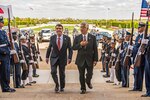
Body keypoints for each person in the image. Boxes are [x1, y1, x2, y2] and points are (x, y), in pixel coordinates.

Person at [46, 24, 73, 93]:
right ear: (55, 29)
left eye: (60, 28)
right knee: (53, 72)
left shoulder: (67, 38)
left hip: (62, 58)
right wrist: (47, 57)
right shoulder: (52, 38)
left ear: (62, 30)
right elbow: (49, 48)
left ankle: (62, 87)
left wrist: (69, 57)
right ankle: (57, 84)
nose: (58, 29)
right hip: (53, 58)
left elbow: (70, 49)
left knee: (62, 74)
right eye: (57, 28)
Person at [73, 22, 98, 94]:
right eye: (81, 27)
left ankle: (88, 81)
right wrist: (80, 44)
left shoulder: (92, 37)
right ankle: (83, 88)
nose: (81, 29)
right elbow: (74, 47)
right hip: (80, 60)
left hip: (90, 59)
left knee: (90, 74)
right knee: (81, 75)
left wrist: (95, 59)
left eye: (83, 28)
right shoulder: (77, 37)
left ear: (87, 29)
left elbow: (95, 49)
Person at [0, 16, 16, 92]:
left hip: (7, 53)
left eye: (2, 21)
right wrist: (2, 51)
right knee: (3, 72)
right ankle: (5, 87)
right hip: (2, 54)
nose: (2, 22)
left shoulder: (3, 32)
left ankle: (7, 86)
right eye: (1, 21)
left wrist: (11, 48)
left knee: (7, 71)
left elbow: (7, 42)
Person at [130, 22, 146, 91]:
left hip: (140, 57)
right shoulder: (138, 36)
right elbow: (136, 45)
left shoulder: (144, 36)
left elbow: (142, 47)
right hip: (135, 56)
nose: (138, 28)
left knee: (139, 72)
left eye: (140, 27)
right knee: (136, 72)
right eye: (138, 27)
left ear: (143, 28)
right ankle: (135, 86)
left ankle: (138, 87)